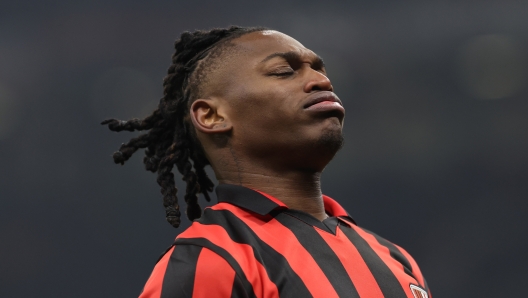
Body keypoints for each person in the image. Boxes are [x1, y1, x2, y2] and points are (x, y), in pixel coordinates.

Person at [102, 26, 431, 298]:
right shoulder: (212, 258)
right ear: (212, 115)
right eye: (283, 71)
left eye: (319, 69)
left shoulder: (396, 260)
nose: (320, 81)